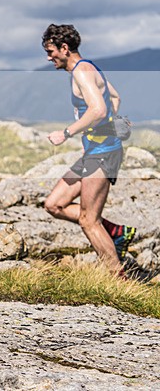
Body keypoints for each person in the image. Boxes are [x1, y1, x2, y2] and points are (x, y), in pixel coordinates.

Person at [42, 24, 136, 274]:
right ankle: (114, 232)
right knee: (54, 204)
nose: (49, 57)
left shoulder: (81, 73)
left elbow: (99, 109)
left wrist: (66, 133)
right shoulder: (89, 69)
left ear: (65, 48)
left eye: (51, 51)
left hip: (103, 154)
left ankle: (118, 279)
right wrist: (106, 128)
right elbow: (114, 98)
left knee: (88, 220)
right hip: (94, 151)